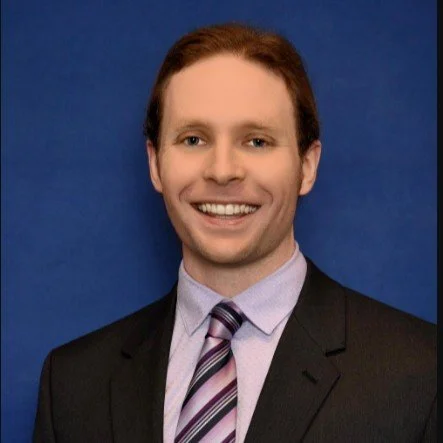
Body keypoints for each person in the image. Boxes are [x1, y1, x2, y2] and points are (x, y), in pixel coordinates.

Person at [33, 23, 436, 443]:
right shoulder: (72, 385)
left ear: (307, 165)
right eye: (193, 139)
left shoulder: (422, 374)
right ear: (155, 163)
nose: (222, 171)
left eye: (257, 141)